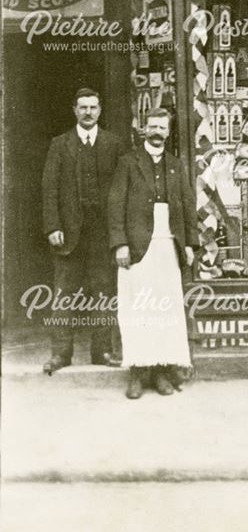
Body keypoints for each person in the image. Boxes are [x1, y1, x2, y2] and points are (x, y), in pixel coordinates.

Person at [108, 108, 199, 400]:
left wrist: (188, 244)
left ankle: (161, 372)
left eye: (162, 127)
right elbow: (115, 204)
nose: (157, 131)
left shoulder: (176, 164)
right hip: (136, 247)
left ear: (168, 131)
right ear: (144, 129)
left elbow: (186, 205)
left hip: (168, 246)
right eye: (152, 126)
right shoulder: (128, 162)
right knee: (137, 309)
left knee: (165, 310)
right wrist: (120, 243)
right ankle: (137, 373)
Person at [42, 87, 125, 374]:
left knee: (103, 292)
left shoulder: (114, 144)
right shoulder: (60, 144)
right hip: (68, 233)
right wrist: (52, 225)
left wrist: (119, 234)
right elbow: (49, 188)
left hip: (102, 233)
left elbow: (122, 190)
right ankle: (61, 354)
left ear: (100, 111)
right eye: (83, 107)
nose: (88, 112)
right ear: (74, 111)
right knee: (64, 293)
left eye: (93, 107)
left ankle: (102, 351)